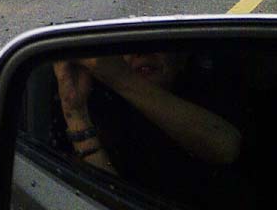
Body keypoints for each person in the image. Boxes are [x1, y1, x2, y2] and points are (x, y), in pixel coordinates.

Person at [53, 52, 243, 206]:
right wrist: (75, 111)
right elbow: (99, 198)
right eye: (127, 44)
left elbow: (226, 147)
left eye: (156, 41)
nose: (142, 52)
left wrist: (120, 77)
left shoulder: (208, 95)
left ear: (182, 59)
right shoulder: (102, 108)